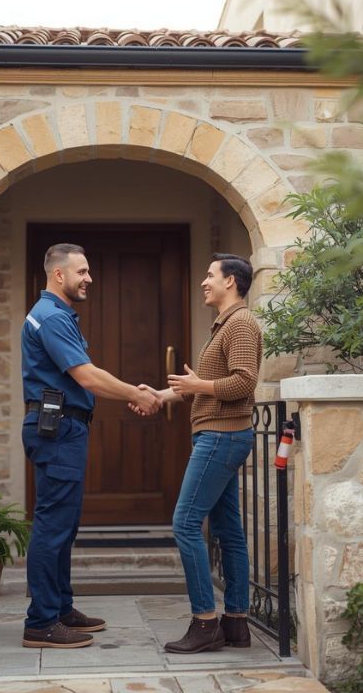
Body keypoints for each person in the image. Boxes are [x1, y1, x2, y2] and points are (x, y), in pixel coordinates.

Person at [21, 243, 160, 649]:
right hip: (58, 429)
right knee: (52, 526)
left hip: (64, 428)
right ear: (58, 275)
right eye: (82, 271)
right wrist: (138, 394)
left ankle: (60, 609)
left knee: (64, 526)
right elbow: (88, 377)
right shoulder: (49, 317)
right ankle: (41, 622)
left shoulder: (57, 315)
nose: (89, 278)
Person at [132, 253, 262, 654]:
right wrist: (159, 395)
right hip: (221, 435)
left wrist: (198, 385)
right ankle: (236, 623)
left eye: (210, 276)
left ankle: (205, 622)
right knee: (229, 531)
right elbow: (201, 385)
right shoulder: (226, 324)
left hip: (221, 437)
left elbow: (243, 382)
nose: (204, 282)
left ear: (232, 282)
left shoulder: (240, 324)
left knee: (185, 523)